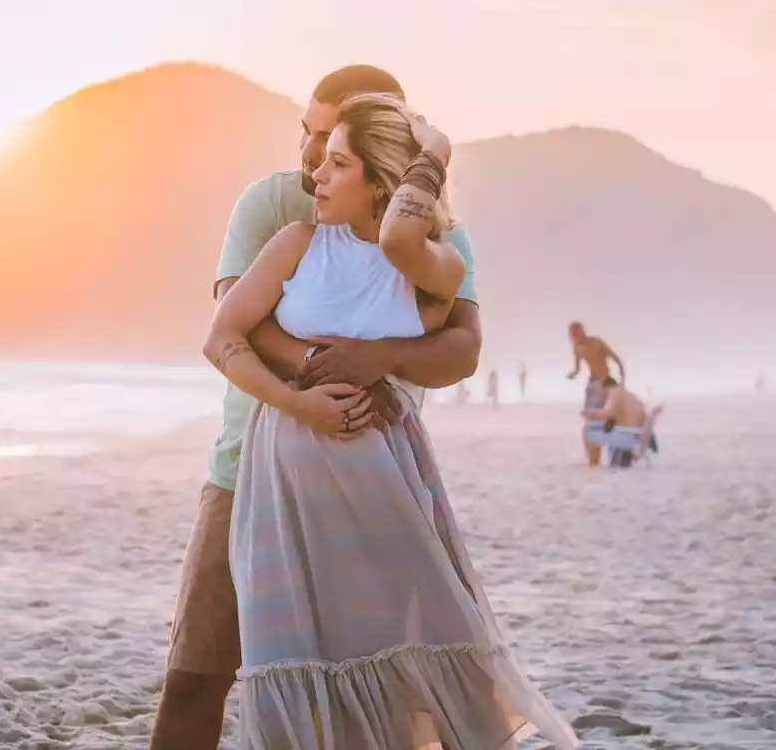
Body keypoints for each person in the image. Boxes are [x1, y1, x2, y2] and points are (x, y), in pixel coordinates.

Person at [204, 95, 578, 748]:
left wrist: (434, 153)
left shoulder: (434, 264)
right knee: (296, 657)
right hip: (282, 485)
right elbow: (222, 339)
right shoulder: (296, 243)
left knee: (409, 646)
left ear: (381, 183)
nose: (316, 171)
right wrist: (298, 402)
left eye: (339, 162)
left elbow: (401, 237)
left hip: (379, 479)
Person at [148, 66, 483, 750]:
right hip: (248, 469)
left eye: (332, 142)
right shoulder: (275, 208)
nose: (311, 160)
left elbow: (462, 348)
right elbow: (236, 323)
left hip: (373, 480)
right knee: (198, 670)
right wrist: (310, 382)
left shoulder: (440, 241)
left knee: (379, 687)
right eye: (308, 133)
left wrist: (381, 356)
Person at [566, 321, 626, 467]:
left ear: (582, 332)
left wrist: (622, 377)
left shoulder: (597, 343)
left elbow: (615, 358)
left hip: (605, 382)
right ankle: (593, 457)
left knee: (604, 418)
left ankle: (610, 452)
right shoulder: (577, 348)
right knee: (589, 420)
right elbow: (577, 368)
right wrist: (572, 374)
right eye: (572, 336)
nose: (574, 338)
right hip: (592, 384)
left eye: (575, 334)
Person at [582, 376, 657, 467]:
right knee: (606, 429)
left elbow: (609, 413)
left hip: (626, 434)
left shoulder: (615, 391)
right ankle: (614, 457)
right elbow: (616, 418)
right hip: (637, 435)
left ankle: (592, 462)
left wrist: (591, 413)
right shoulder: (630, 396)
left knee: (587, 429)